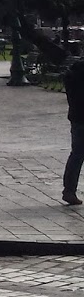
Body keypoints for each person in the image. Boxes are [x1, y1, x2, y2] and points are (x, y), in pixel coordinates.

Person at [63, 61, 84, 206]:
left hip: (77, 117)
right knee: (77, 155)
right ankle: (69, 191)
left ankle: (69, 190)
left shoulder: (73, 72)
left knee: (76, 155)